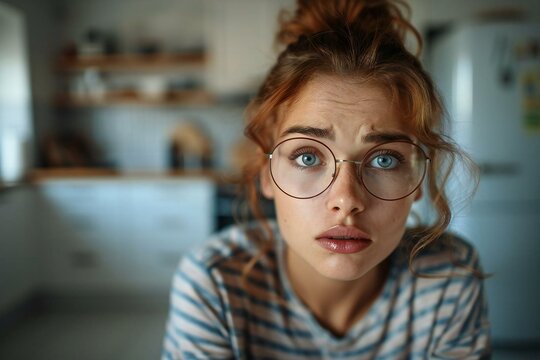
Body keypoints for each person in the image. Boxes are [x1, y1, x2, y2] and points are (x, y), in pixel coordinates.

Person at [162, 0, 491, 358]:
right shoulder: (214, 284)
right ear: (267, 173)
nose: (346, 199)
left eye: (384, 159)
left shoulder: (447, 278)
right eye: (307, 157)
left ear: (417, 176)